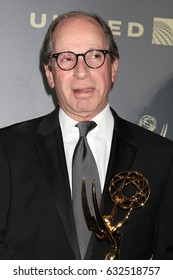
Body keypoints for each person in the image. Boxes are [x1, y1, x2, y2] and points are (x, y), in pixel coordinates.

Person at [0, 10, 173, 260]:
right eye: (67, 59)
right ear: (50, 74)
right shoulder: (7, 150)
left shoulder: (161, 157)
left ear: (113, 68)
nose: (81, 71)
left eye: (94, 56)